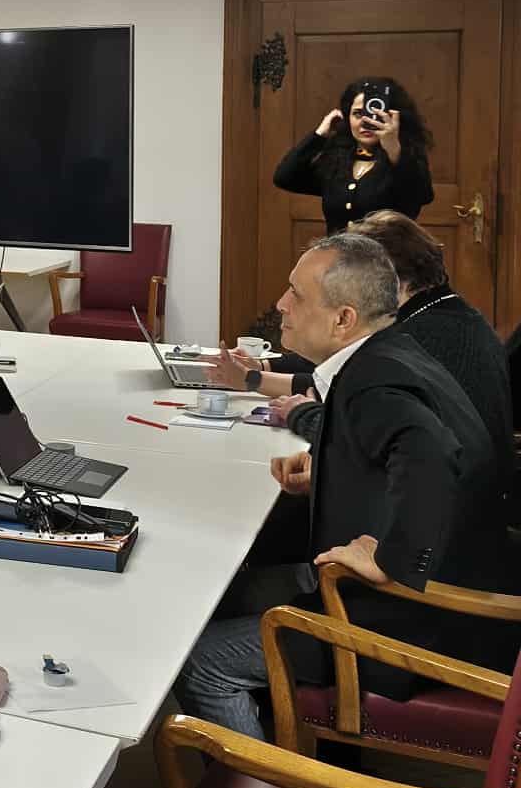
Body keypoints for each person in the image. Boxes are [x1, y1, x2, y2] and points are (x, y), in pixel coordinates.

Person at [176, 232, 511, 741]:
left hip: (407, 619)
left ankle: (261, 784)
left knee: (201, 663)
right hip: (423, 594)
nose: (280, 304)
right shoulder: (391, 352)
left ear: (343, 319)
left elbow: (432, 452)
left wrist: (391, 557)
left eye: (296, 294)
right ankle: (281, 728)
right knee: (219, 594)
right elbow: (402, 456)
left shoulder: (374, 381)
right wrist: (330, 473)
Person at [204, 212, 516, 491]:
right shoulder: (443, 315)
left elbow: (365, 429)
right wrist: (259, 372)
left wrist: (302, 413)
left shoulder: (415, 338)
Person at [272, 76, 432, 235]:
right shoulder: (336, 162)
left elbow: (420, 196)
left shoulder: (406, 161)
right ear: (346, 117)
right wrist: (319, 135)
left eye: (375, 113)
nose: (366, 121)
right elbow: (284, 177)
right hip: (338, 251)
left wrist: (394, 150)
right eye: (357, 113)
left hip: (387, 252)